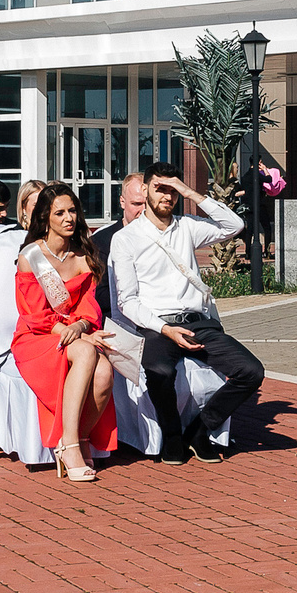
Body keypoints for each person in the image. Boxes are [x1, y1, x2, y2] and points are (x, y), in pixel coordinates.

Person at [109, 162, 263, 464]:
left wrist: (190, 192)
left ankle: (199, 431)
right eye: (160, 188)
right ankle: (172, 436)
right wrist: (165, 330)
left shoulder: (188, 226)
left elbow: (234, 226)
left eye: (173, 190)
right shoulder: (126, 238)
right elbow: (127, 301)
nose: (167, 196)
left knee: (251, 372)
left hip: (197, 324)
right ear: (145, 189)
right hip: (156, 327)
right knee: (160, 372)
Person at [10, 184, 117, 484]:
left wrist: (80, 328)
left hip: (74, 332)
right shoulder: (31, 256)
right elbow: (34, 313)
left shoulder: (83, 256)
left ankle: (79, 438)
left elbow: (88, 309)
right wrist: (74, 334)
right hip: (36, 336)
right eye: (60, 213)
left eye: (72, 211)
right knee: (85, 351)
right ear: (45, 217)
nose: (69, 218)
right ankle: (69, 446)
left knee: (104, 373)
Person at [90, 174, 143, 332]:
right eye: (137, 204)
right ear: (122, 202)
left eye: (149, 204)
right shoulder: (101, 241)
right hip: (117, 326)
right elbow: (99, 294)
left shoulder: (164, 237)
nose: (143, 211)